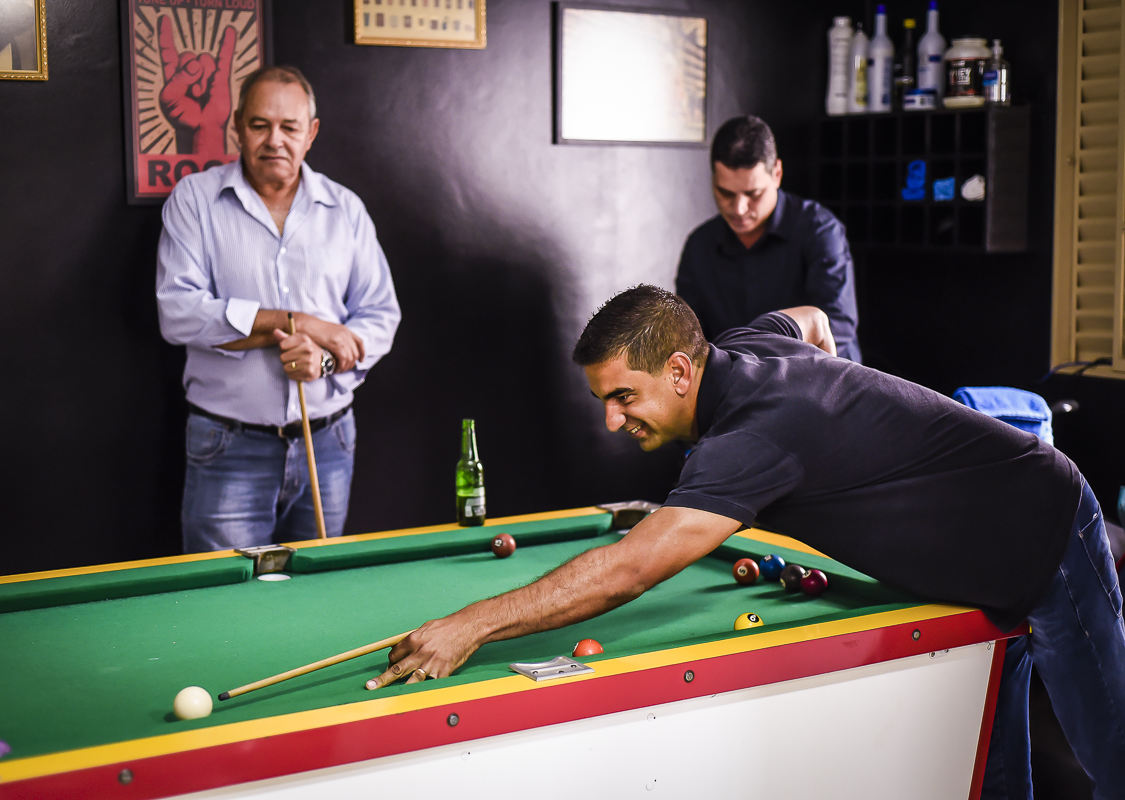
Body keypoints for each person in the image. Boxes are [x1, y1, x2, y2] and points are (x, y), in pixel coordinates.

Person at [366, 286, 1124, 800]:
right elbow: (813, 320)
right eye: (603, 400)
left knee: (1107, 752)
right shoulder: (743, 346)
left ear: (678, 370)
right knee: (987, 762)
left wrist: (470, 624)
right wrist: (856, 428)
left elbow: (628, 569)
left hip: (1042, 532)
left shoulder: (749, 439)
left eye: (623, 397)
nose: (611, 420)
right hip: (967, 561)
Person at [156, 65, 400, 552]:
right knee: (227, 594)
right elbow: (179, 314)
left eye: (289, 127)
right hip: (227, 445)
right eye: (259, 124)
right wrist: (300, 323)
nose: (275, 140)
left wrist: (325, 358)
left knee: (317, 590)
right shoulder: (195, 199)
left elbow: (380, 316)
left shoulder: (346, 209)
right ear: (237, 127)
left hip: (328, 444)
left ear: (311, 133)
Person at [675, 116, 862, 362]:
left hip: (816, 377)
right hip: (734, 382)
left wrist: (754, 371)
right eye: (726, 193)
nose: (739, 208)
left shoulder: (819, 230)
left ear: (777, 174)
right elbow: (688, 338)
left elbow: (838, 327)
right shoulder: (699, 246)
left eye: (753, 193)